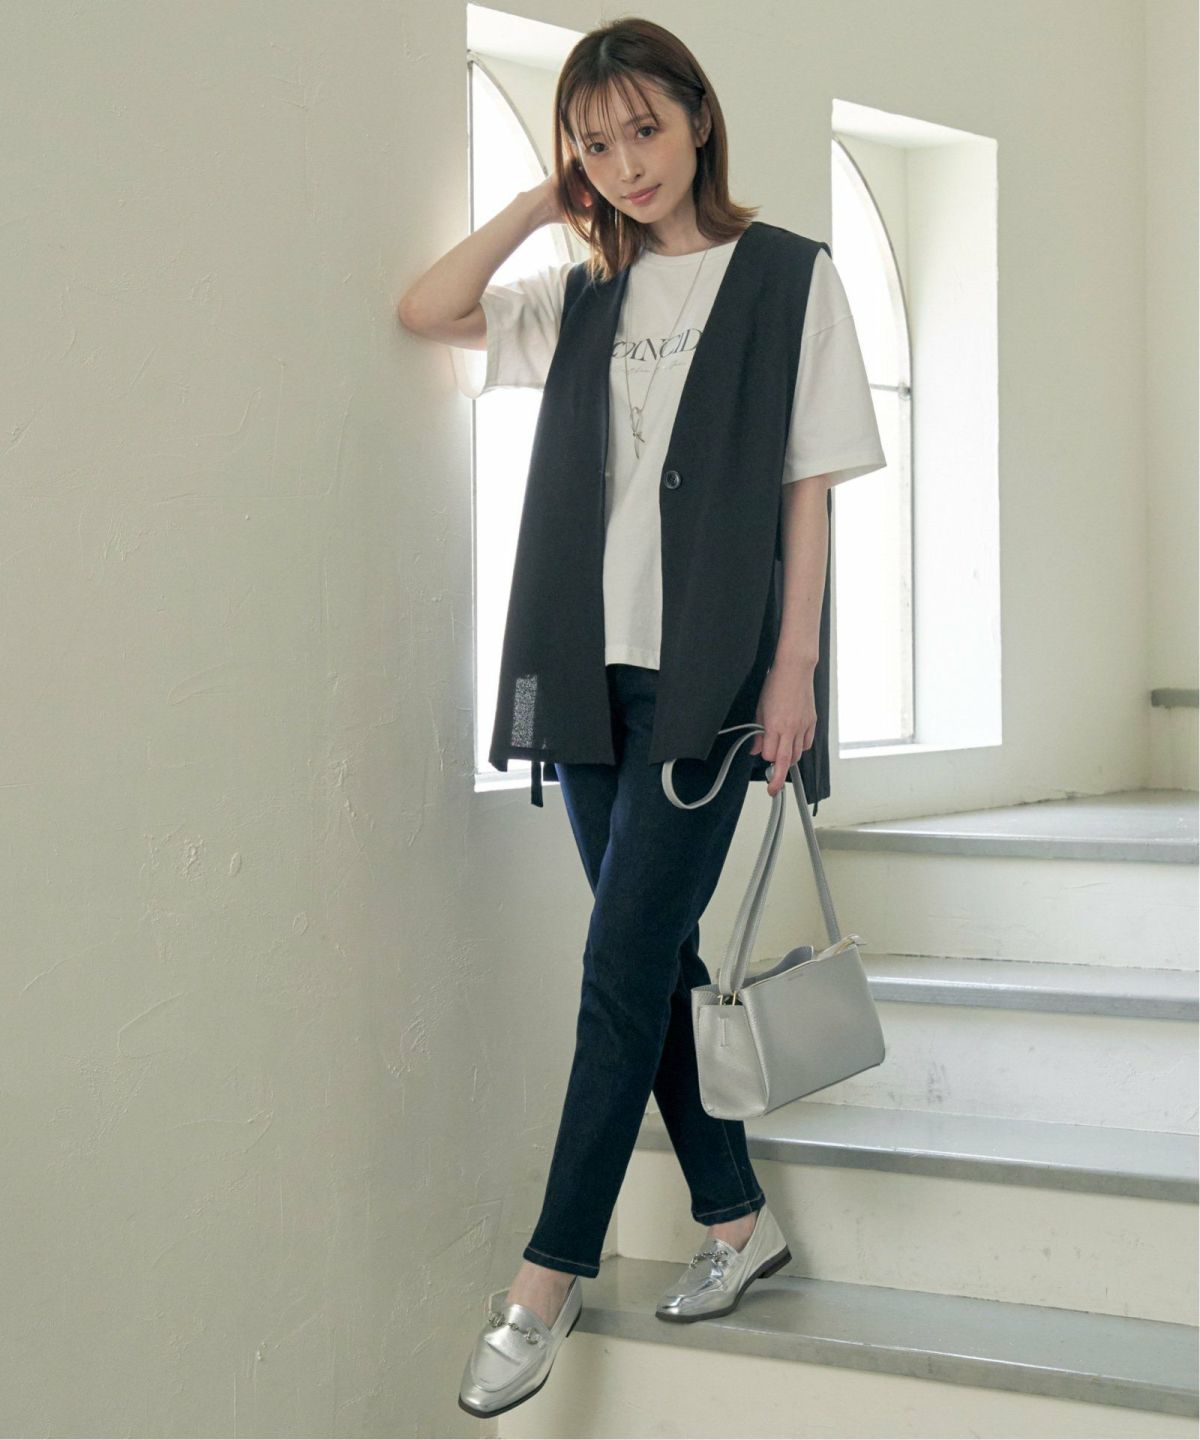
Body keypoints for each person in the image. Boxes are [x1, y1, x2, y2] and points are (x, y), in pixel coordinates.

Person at [397, 15, 886, 1419]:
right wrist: (531, 204)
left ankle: (543, 1278)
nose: (627, 164)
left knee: (618, 973)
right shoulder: (582, 296)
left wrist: (795, 670)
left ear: (699, 118)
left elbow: (808, 486)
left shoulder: (789, 277)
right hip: (583, 680)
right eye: (596, 145)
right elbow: (430, 309)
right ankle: (737, 1220)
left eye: (645, 131)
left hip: (711, 686)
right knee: (651, 956)